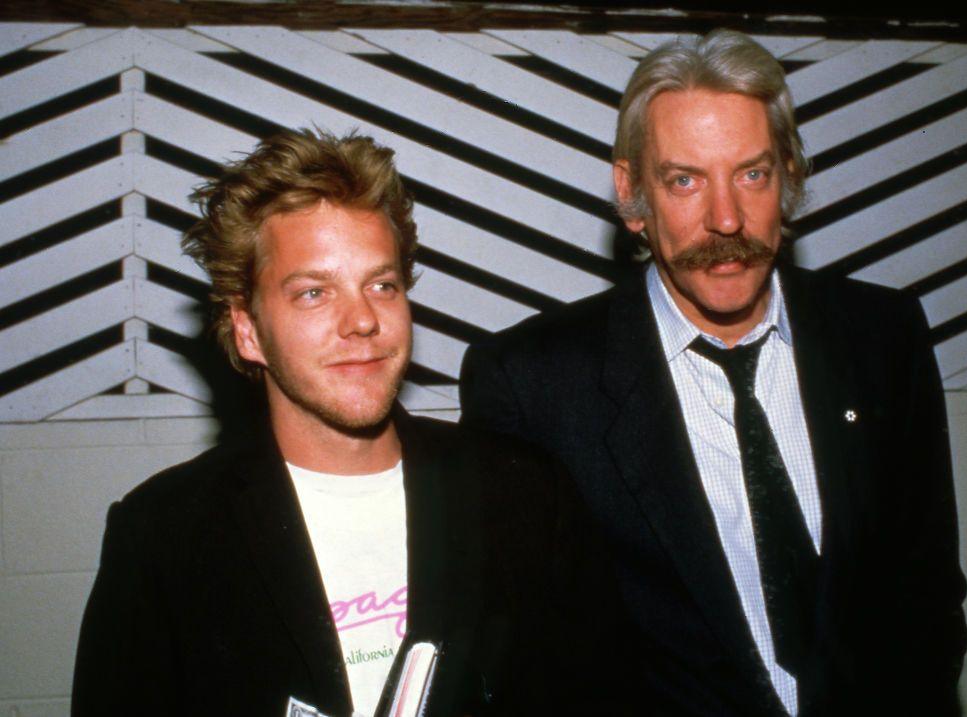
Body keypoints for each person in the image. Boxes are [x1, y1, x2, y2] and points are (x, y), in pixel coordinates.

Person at [460, 29, 967, 716]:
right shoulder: (531, 385)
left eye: (752, 173)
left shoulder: (884, 339)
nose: (726, 217)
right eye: (684, 180)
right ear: (630, 190)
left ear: (788, 173)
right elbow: (526, 669)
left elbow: (929, 603)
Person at [71, 128, 624, 717]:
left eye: (381, 285)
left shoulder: (525, 495)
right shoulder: (164, 536)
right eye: (314, 293)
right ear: (248, 331)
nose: (361, 320)